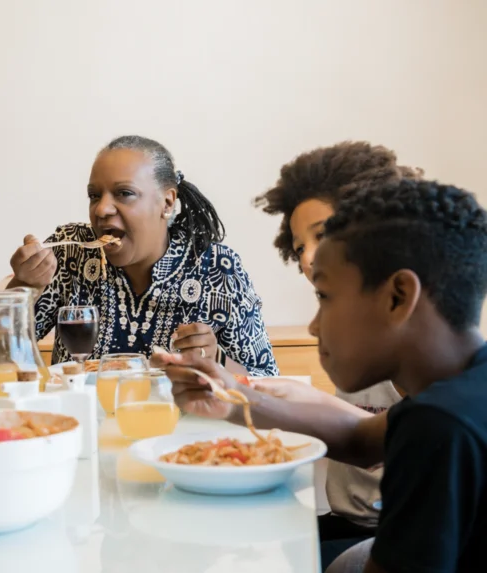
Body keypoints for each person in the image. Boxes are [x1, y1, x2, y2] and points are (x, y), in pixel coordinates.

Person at [155, 179, 487, 572]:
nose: (313, 327)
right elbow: (357, 439)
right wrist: (230, 395)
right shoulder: (457, 393)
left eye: (324, 297)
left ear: (397, 297)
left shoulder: (440, 428)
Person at [253, 142, 423, 567]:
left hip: (381, 532)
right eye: (298, 248)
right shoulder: (358, 322)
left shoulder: (410, 342)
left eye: (324, 234)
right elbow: (362, 438)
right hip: (345, 521)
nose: (308, 258)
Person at [8, 135, 277, 376]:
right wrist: (24, 287)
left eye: (124, 194)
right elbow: (0, 352)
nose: (101, 210)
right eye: (94, 195)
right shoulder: (69, 253)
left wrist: (217, 360)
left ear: (167, 203)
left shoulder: (217, 269)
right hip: (82, 423)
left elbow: (267, 379)